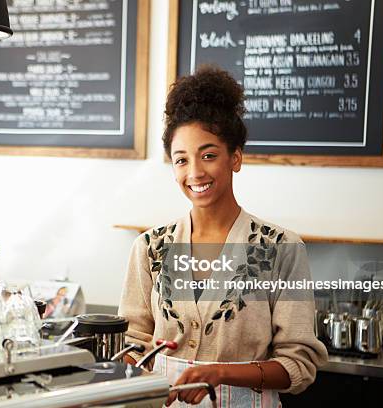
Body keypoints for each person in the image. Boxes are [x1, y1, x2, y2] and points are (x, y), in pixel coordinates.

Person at [118, 65, 328, 407]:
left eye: (209, 155)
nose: (195, 172)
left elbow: (298, 365)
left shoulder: (281, 249)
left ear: (236, 158)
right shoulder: (150, 248)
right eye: (181, 160)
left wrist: (221, 372)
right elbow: (133, 343)